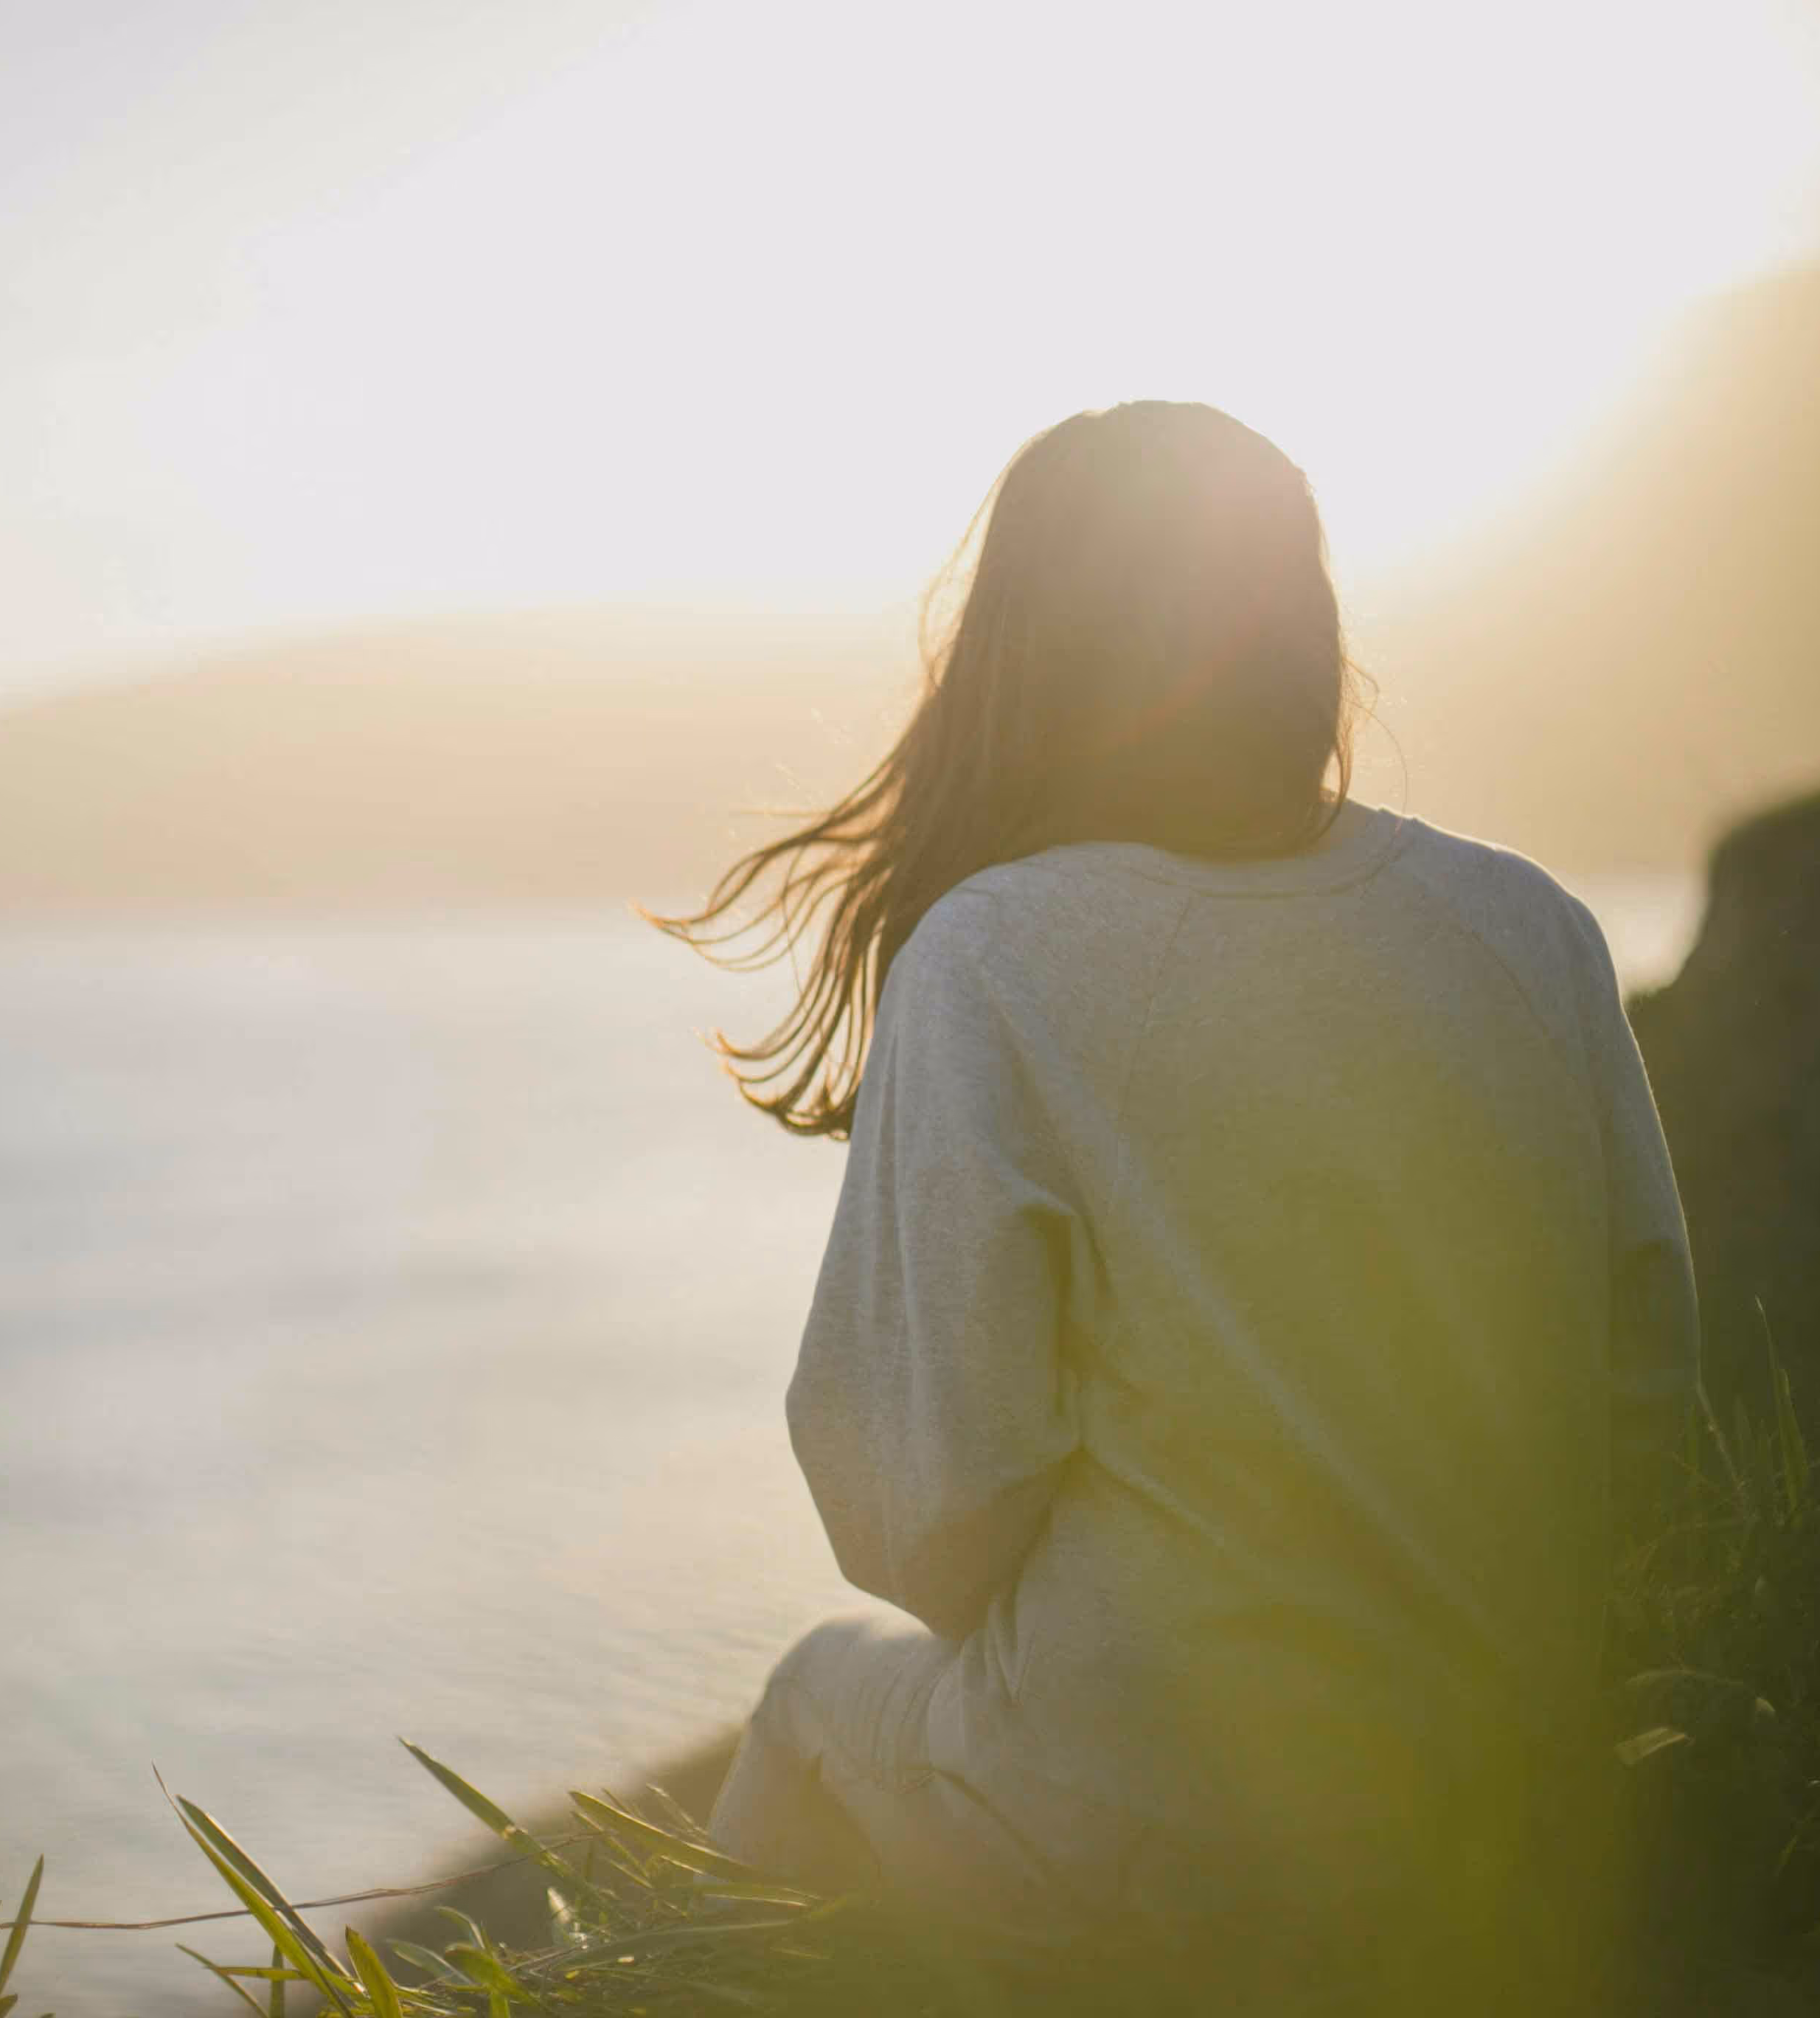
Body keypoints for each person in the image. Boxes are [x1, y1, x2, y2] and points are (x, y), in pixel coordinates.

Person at [647, 402, 1699, 2000]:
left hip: (1160, 1825)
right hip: (1509, 1786)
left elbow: (919, 1518)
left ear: (1020, 652)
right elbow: (1646, 1405)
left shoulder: (997, 957)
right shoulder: (1529, 926)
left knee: (809, 1699)